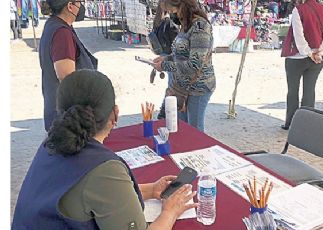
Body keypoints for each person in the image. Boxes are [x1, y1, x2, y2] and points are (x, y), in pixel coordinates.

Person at [12, 70, 198, 230]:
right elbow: (100, 187)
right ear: (115, 114)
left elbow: (96, 195)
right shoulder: (103, 170)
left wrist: (150, 190)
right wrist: (170, 212)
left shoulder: (51, 143)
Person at [152, 0, 216, 132]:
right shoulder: (186, 25)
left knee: (195, 132)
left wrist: (165, 65)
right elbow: (181, 53)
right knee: (180, 129)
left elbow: (194, 65)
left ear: (181, 6)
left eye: (171, 11)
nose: (170, 14)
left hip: (197, 88)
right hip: (181, 88)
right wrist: (166, 58)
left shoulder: (200, 27)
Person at [39, 0, 98, 132]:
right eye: (79, 2)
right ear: (70, 6)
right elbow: (66, 76)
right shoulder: (61, 33)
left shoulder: (55, 25)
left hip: (62, 111)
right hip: (67, 116)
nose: (81, 6)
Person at [280, 0, 323, 130]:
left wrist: (309, 53)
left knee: (293, 91)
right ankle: (307, 124)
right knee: (310, 91)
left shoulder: (298, 9)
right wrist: (320, 51)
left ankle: (291, 123)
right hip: (317, 58)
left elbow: (299, 36)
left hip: (297, 58)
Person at [152, 0, 180, 119]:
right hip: (169, 55)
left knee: (171, 87)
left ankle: (164, 112)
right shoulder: (170, 24)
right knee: (172, 87)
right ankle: (164, 112)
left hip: (164, 54)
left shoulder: (157, 22)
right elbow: (177, 47)